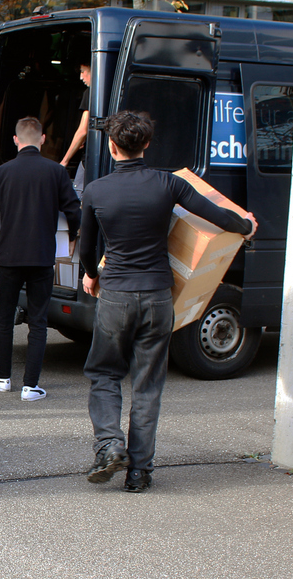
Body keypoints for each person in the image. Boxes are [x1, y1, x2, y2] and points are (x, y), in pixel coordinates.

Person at [80, 110, 257, 493]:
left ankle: (109, 446)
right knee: (147, 384)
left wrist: (91, 275)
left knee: (105, 373)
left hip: (116, 296)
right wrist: (247, 225)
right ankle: (140, 471)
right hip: (159, 296)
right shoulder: (168, 185)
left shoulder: (96, 190)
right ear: (145, 144)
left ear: (112, 146)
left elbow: (88, 244)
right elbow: (216, 216)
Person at [0, 116, 80, 402]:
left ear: (16, 140)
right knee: (39, 320)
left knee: (4, 317)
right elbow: (74, 210)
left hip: (9, 257)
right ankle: (31, 386)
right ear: (42, 139)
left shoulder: (3, 172)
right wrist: (73, 236)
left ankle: (3, 377)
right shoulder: (55, 172)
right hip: (42, 257)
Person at [58, 63, 93, 181]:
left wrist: (64, 161)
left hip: (89, 158)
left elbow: (82, 131)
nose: (81, 77)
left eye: (83, 71)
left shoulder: (90, 92)